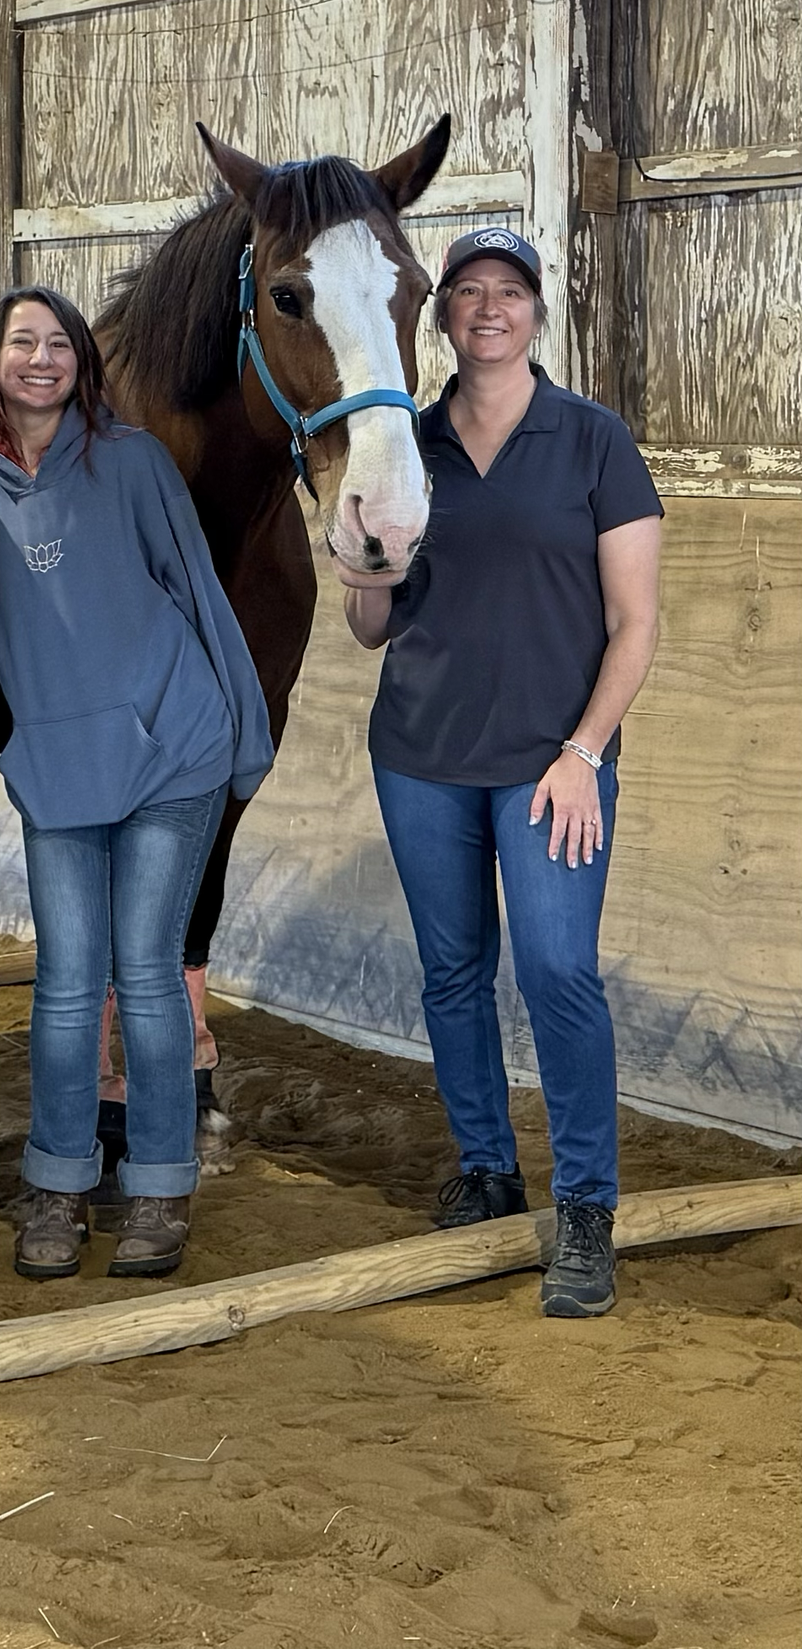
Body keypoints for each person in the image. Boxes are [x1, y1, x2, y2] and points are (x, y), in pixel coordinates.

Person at [344, 229, 663, 1319]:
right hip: (420, 757)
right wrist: (358, 571)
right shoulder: (404, 441)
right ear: (440, 317)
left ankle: (584, 1207)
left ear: (537, 313)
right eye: (467, 292)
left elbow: (634, 623)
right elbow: (370, 626)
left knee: (559, 974)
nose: (487, 307)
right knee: (450, 972)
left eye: (509, 292)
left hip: (547, 769)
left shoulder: (593, 441)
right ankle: (486, 1166)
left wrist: (583, 755)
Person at [0, 287, 272, 1283]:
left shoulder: (133, 463)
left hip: (170, 751)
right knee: (61, 987)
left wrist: (240, 738)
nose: (42, 359)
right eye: (22, 343)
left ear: (81, 367)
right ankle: (55, 1181)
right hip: (58, 768)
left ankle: (159, 1189)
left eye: (60, 344)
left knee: (144, 976)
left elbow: (197, 591)